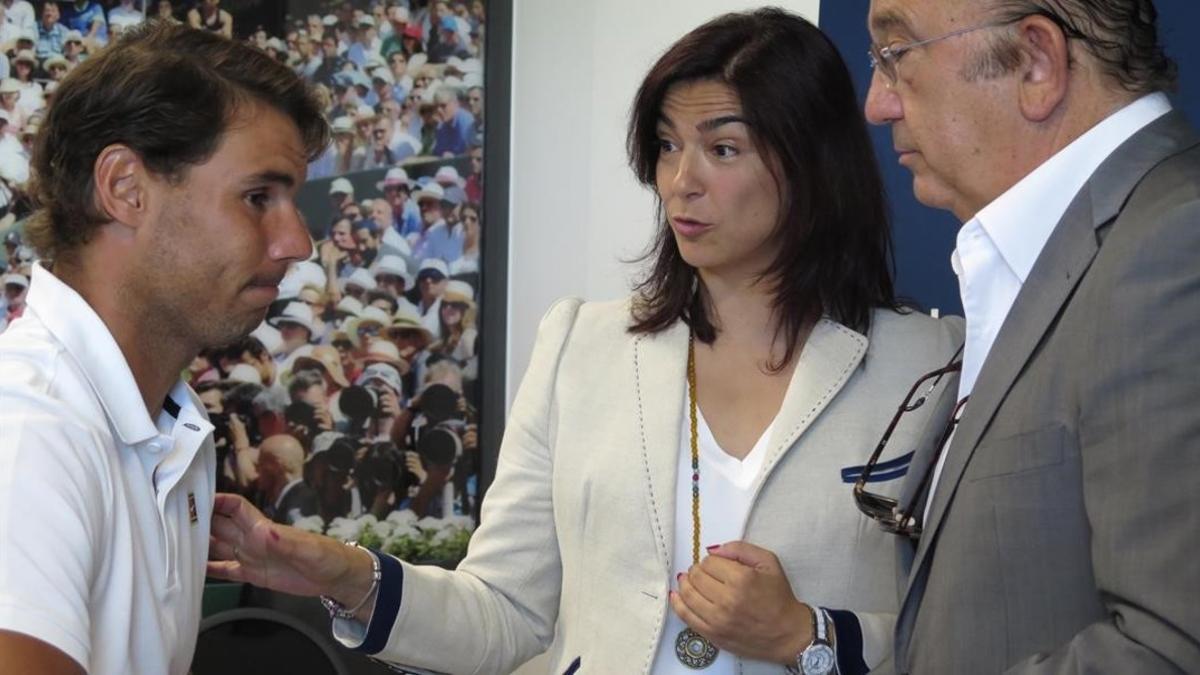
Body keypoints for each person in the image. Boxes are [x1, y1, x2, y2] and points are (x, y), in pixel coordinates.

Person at [208, 8, 963, 674]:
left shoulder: (932, 365)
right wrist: (346, 574)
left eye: (723, 149)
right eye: (667, 145)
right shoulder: (582, 345)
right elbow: (503, 610)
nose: (680, 181)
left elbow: (981, 634)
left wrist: (807, 635)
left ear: (811, 163)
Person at [861, 0, 1200, 673]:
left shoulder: (1174, 247)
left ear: (1036, 62)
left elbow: (1172, 650)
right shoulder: (1072, 253)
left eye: (895, 54)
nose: (877, 104)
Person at [0, 21, 327, 674]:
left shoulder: (173, 429)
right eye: (258, 196)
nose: (297, 240)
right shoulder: (29, 435)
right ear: (125, 187)